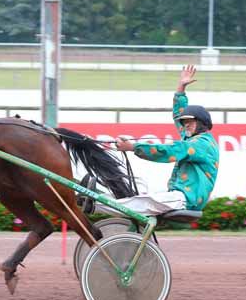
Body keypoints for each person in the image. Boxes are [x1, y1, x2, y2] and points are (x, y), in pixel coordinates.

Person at [91, 65, 219, 216]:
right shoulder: (192, 137)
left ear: (202, 123)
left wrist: (133, 147)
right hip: (179, 196)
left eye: (190, 122)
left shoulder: (202, 144)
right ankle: (95, 199)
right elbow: (179, 114)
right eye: (185, 123)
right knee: (136, 194)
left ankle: (93, 205)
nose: (186, 125)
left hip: (185, 199)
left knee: (142, 202)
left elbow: (169, 151)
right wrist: (181, 88)